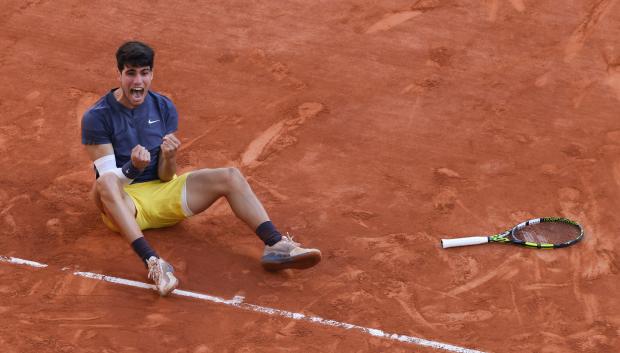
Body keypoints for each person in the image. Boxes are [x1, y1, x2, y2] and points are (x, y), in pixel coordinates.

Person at [81, 41, 321, 296]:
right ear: (119, 75)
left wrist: (169, 157)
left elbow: (164, 176)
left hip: (163, 197)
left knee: (230, 176)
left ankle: (275, 244)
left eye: (144, 72)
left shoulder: (163, 107)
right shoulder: (98, 117)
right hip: (125, 206)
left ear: (152, 74)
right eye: (131, 73)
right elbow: (111, 184)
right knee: (103, 184)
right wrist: (132, 168)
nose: (138, 80)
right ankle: (154, 264)